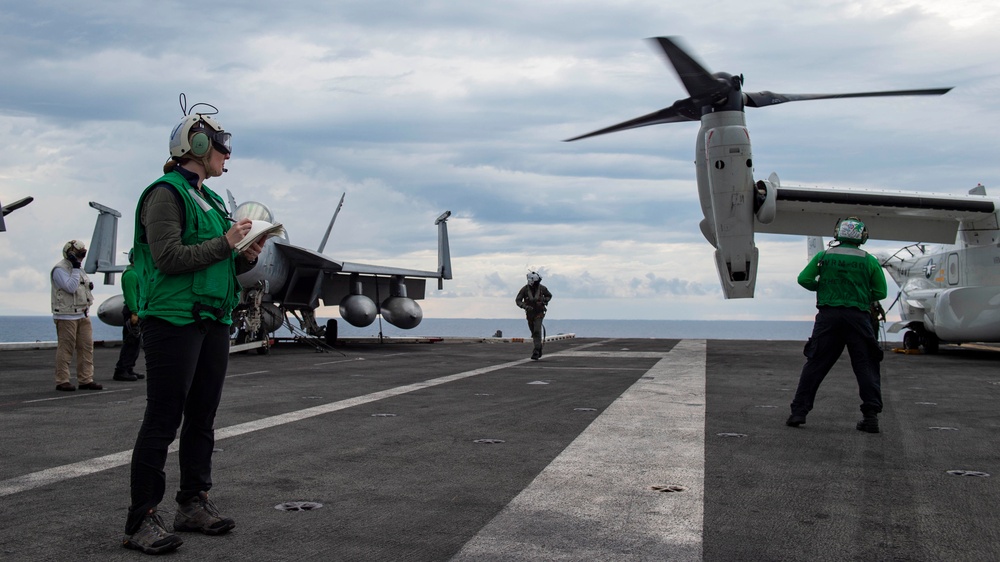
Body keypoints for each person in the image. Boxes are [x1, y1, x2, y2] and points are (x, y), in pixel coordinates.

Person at [121, 97, 266, 555]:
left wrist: (243, 255)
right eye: (222, 146)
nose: (227, 155)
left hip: (212, 318)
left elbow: (213, 263)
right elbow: (168, 258)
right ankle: (140, 520)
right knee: (163, 420)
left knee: (202, 417)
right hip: (172, 319)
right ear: (198, 144)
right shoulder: (166, 193)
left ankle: (192, 502)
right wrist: (225, 244)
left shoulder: (210, 200)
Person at [786, 217, 888, 433]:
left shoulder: (824, 256)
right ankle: (870, 418)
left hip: (828, 317)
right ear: (862, 236)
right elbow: (881, 293)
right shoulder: (868, 260)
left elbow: (804, 279)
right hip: (858, 319)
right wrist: (859, 293)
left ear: (837, 234)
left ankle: (798, 412)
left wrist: (822, 288)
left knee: (816, 364)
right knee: (866, 365)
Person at [51, 240, 103, 391]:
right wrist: (74, 268)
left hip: (82, 313)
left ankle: (86, 379)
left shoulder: (79, 270)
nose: (82, 257)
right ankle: (62, 380)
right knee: (66, 348)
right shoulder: (60, 269)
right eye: (79, 254)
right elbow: (71, 287)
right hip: (66, 316)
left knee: (86, 347)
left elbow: (83, 286)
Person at [113, 249, 144, 381]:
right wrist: (134, 312)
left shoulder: (136, 273)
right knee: (130, 341)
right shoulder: (131, 274)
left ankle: (129, 368)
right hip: (133, 311)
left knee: (135, 342)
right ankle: (121, 370)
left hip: (136, 309)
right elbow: (131, 295)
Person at [515, 271, 552, 360]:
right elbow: (518, 300)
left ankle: (536, 350)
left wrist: (543, 300)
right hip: (530, 314)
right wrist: (525, 306)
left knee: (537, 331)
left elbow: (549, 296)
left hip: (539, 313)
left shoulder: (542, 288)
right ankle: (538, 348)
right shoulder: (524, 289)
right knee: (533, 332)